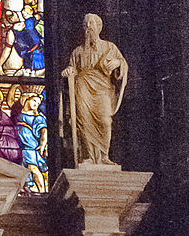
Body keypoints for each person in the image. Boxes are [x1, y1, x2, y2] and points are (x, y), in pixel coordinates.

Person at [62, 12, 128, 166]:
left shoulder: (110, 47)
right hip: (83, 87)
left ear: (99, 27)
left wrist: (118, 63)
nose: (88, 27)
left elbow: (122, 64)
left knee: (105, 120)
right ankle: (88, 156)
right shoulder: (78, 51)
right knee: (84, 122)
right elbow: (73, 67)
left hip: (103, 88)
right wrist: (69, 71)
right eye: (86, 25)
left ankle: (104, 155)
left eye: (91, 24)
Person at [15, 91, 48, 192]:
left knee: (33, 168)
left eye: (38, 103)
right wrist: (15, 87)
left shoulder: (38, 117)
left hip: (31, 147)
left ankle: (42, 190)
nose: (36, 104)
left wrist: (42, 144)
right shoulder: (18, 114)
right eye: (34, 100)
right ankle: (31, 189)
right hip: (20, 148)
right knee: (25, 171)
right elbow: (10, 100)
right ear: (26, 99)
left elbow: (44, 131)